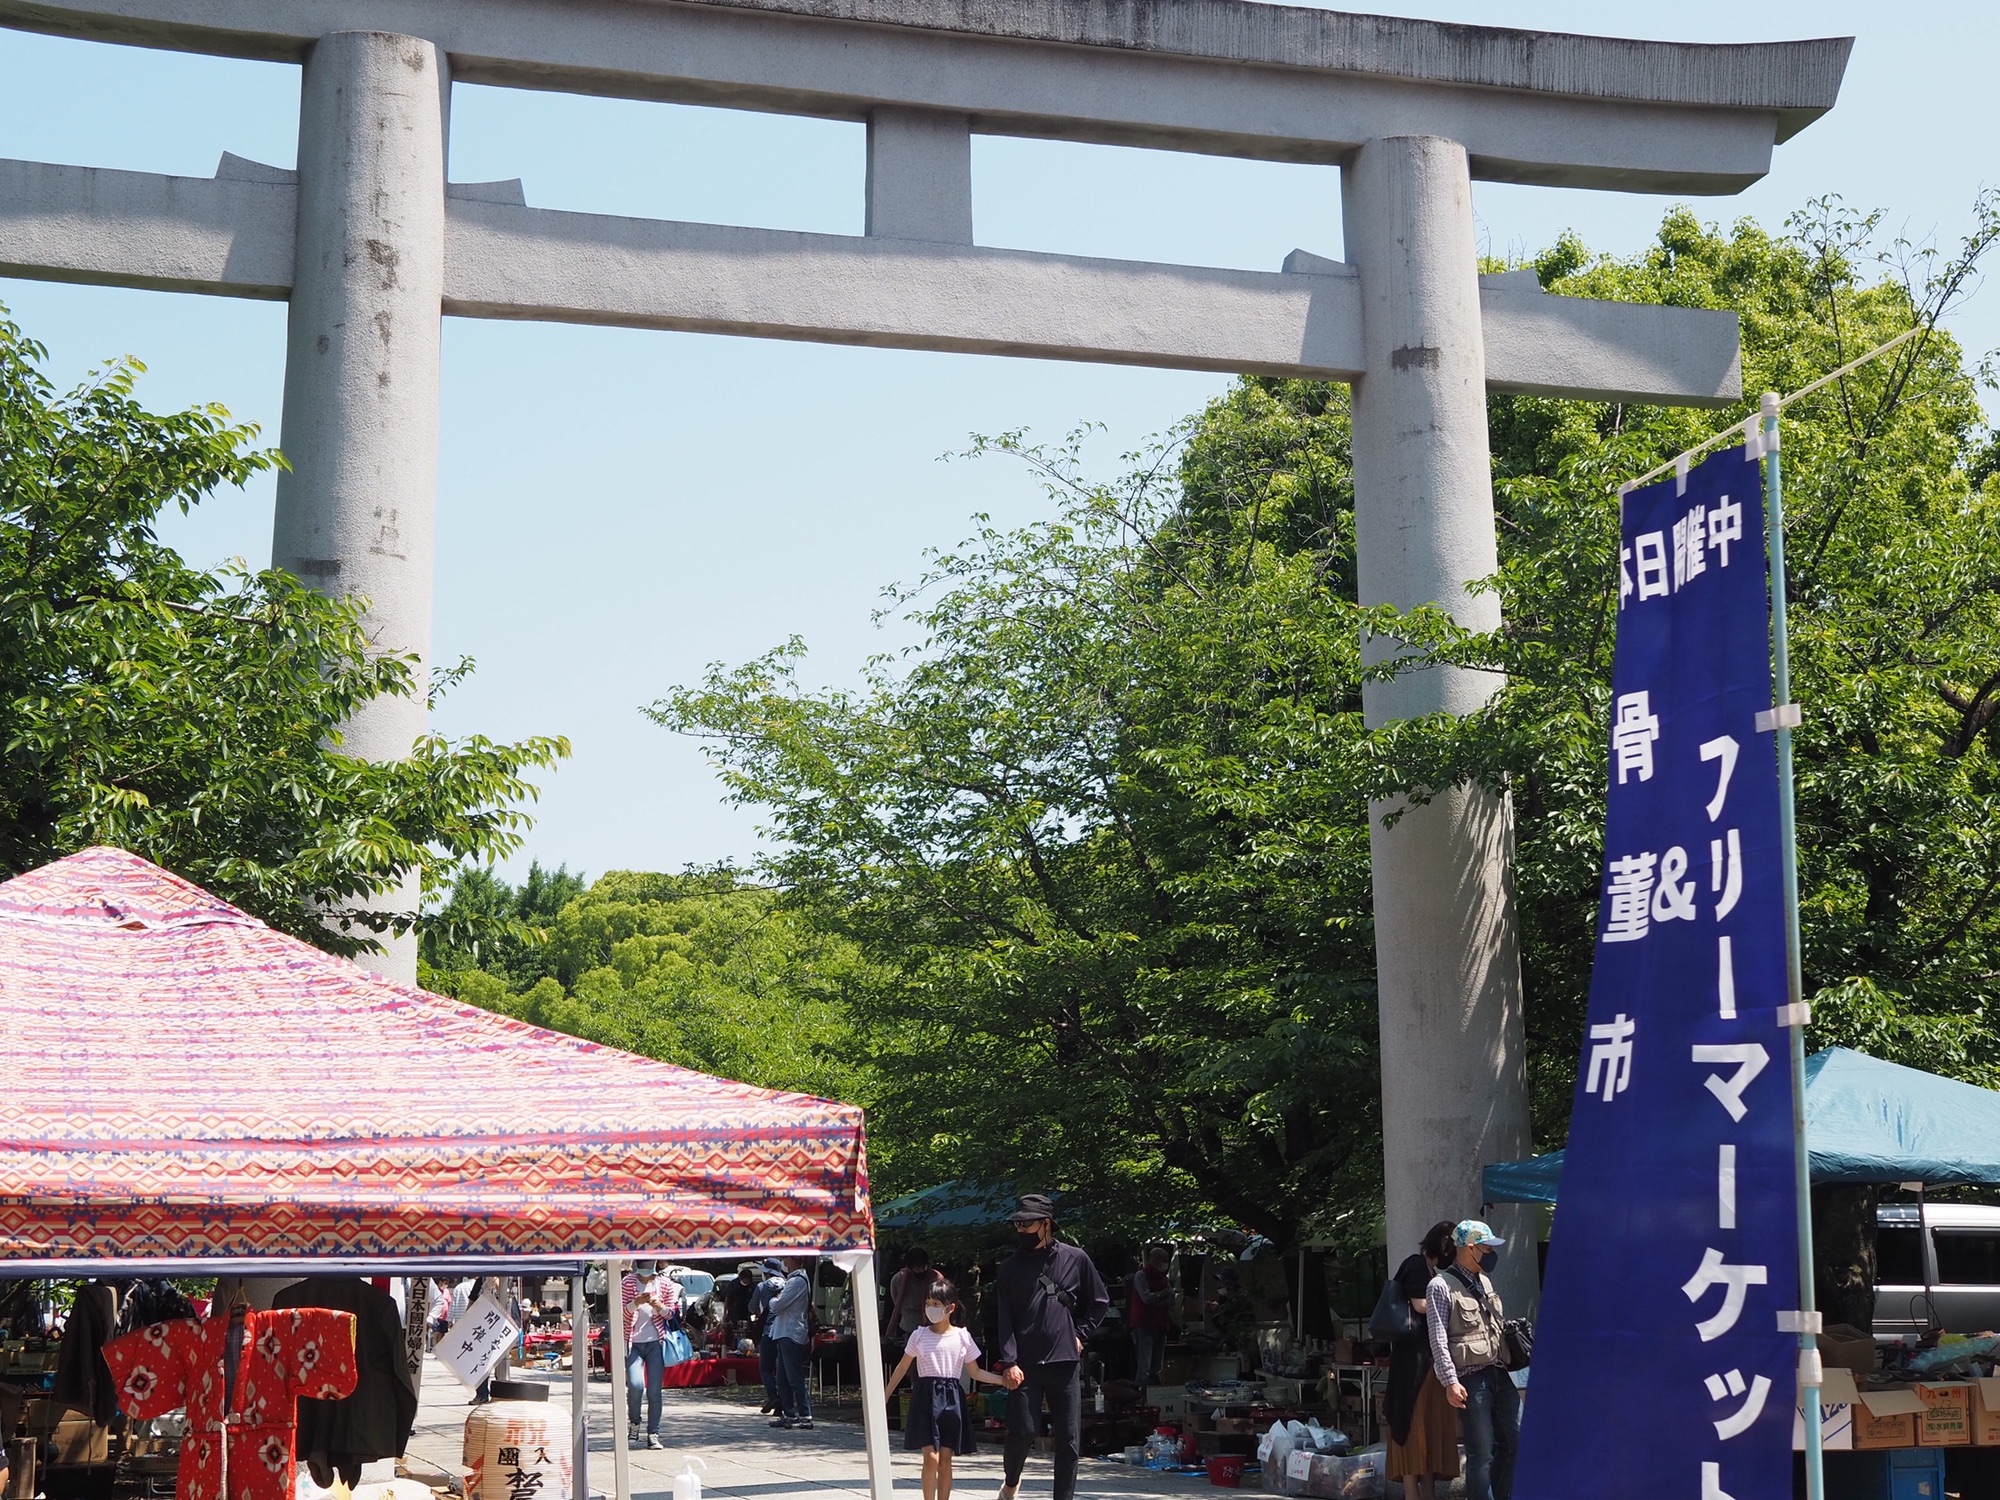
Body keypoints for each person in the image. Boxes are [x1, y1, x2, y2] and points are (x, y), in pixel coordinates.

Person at [993, 1194, 1109, 1500]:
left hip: (1065, 1360)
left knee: (1069, 1439)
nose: (1021, 1229)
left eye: (1027, 1222)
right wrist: (1009, 1361)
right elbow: (1004, 1318)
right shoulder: (1008, 1268)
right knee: (1023, 1431)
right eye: (1017, 1222)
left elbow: (1099, 1302)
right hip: (1024, 1364)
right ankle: (1011, 1483)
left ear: (1046, 1224)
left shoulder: (1075, 1258)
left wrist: (1081, 1334)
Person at [885, 1277, 1007, 1500]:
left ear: (950, 1308)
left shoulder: (962, 1336)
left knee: (945, 1459)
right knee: (930, 1457)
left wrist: (1003, 1380)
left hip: (951, 1398)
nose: (930, 1308)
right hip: (925, 1397)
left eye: (936, 1304)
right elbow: (902, 1368)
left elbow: (976, 1372)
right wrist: (884, 1395)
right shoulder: (919, 1335)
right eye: (928, 1303)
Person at [1426, 1221, 1518, 1500]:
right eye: (1487, 1247)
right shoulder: (1440, 1286)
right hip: (1470, 1379)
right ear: (1469, 1248)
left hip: (1500, 1373)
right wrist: (1450, 1382)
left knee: (1515, 1442)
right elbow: (1438, 1339)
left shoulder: (1484, 1280)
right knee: (1481, 1453)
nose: (1492, 1253)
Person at [1386, 1222, 1461, 1500]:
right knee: (1412, 1422)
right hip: (1413, 1363)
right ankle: (1412, 1494)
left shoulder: (1428, 1269)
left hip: (1426, 1359)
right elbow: (1420, 1305)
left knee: (1428, 1425)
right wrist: (1452, 1299)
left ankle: (1426, 1492)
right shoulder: (1416, 1265)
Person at [623, 1261, 681, 1450]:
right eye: (642, 1273)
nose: (645, 1277)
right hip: (633, 1343)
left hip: (657, 1342)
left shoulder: (664, 1283)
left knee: (655, 1391)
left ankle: (653, 1433)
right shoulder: (627, 1282)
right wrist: (636, 1302)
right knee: (635, 1386)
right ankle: (634, 1424)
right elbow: (621, 1312)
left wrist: (659, 1306)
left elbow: (671, 1314)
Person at [766, 1256, 816, 1430]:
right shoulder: (794, 1279)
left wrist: (773, 1299)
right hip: (783, 1332)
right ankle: (789, 1414)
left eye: (785, 1258)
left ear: (793, 1259)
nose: (783, 1262)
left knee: (794, 1377)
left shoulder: (797, 1281)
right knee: (782, 1377)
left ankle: (805, 1414)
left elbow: (778, 1305)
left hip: (791, 1333)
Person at [1126, 1246, 1173, 1388]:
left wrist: (1159, 1298)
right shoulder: (1141, 1276)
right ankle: (1140, 1396)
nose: (1165, 1263)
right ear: (1153, 1260)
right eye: (1163, 1260)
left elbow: (1172, 1300)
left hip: (1161, 1326)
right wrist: (1163, 1294)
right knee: (1144, 1368)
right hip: (1144, 1326)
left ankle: (1155, 1396)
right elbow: (1146, 1298)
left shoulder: (1164, 1278)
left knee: (1156, 1368)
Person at [749, 1259, 786, 1416]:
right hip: (784, 1329)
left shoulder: (761, 1286)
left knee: (765, 1368)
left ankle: (772, 1396)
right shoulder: (787, 1284)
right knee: (781, 1369)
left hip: (768, 1330)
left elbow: (751, 1306)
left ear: (766, 1272)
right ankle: (782, 1404)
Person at [883, 1246, 934, 1360]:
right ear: (909, 1267)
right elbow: (896, 1302)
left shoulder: (935, 1279)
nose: (920, 1271)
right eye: (917, 1267)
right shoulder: (898, 1280)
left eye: (922, 1267)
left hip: (933, 1329)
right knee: (911, 1365)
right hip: (910, 1328)